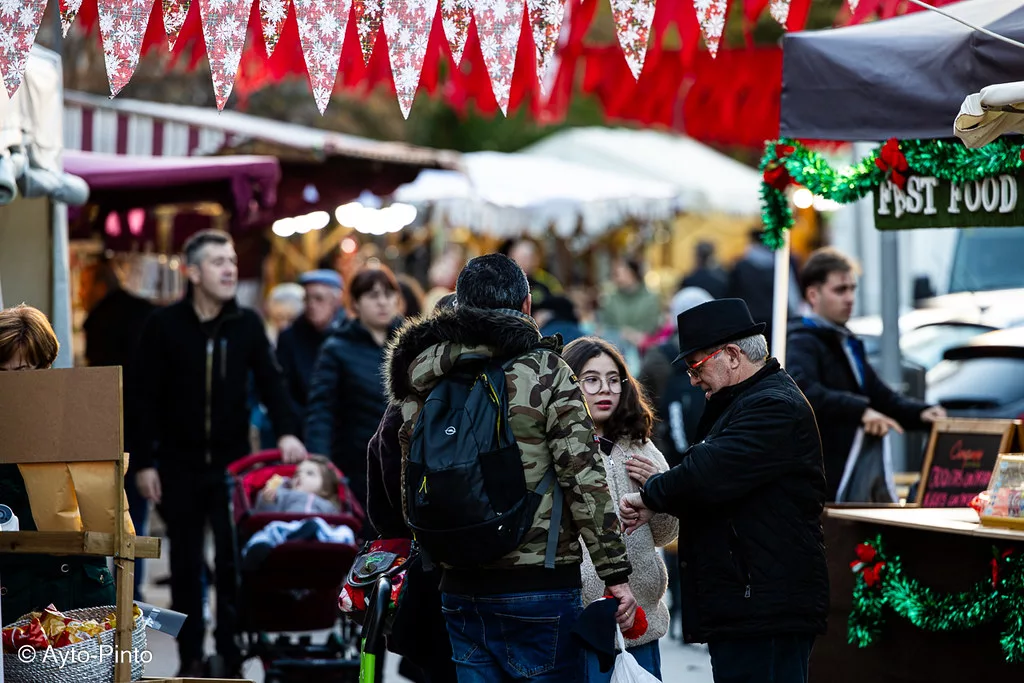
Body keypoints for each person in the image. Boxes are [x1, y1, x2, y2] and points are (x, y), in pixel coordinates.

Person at [385, 253, 635, 682]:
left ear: (459, 306)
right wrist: (615, 574)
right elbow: (584, 476)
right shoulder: (546, 371)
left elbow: (410, 477)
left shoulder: (424, 375)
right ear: (526, 306)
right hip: (539, 582)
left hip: (457, 584)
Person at [620, 298, 829, 683]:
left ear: (732, 355)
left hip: (766, 607)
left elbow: (708, 471)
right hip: (751, 604)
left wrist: (653, 493)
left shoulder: (772, 406)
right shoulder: (747, 400)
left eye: (695, 366)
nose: (692, 379)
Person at [133, 229, 306, 678]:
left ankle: (229, 653)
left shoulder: (246, 324)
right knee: (187, 567)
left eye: (232, 260)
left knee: (231, 563)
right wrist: (145, 461)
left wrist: (287, 431)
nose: (230, 268)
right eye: (217, 262)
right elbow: (143, 399)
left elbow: (273, 383)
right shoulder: (163, 326)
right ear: (193, 272)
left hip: (232, 466)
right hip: (178, 465)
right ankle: (191, 655)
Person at [787, 248, 946, 502]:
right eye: (840, 290)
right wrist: (860, 411)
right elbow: (802, 393)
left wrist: (920, 412)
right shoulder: (801, 341)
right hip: (823, 480)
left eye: (852, 288)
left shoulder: (846, 339)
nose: (850, 298)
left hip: (851, 474)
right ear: (813, 294)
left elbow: (878, 395)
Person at [562, 337, 678, 682]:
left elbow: (666, 533)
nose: (605, 390)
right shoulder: (559, 447)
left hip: (640, 621)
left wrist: (658, 491)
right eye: (592, 380)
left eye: (614, 379)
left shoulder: (638, 446)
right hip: (582, 620)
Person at [0, 304, 117, 624]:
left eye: (24, 372)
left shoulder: (81, 416)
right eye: (3, 374)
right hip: (14, 596)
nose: (14, 385)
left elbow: (105, 511)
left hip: (81, 594)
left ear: (47, 367)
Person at [366, 292, 459, 683]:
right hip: (493, 569)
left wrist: (403, 531)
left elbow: (383, 496)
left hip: (429, 565)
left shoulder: (407, 401)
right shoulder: (506, 388)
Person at [78, 258, 156, 597]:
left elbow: (96, 374)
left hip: (106, 419)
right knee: (134, 513)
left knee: (99, 509)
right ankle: (131, 591)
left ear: (97, 285)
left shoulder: (99, 318)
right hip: (144, 419)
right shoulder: (145, 311)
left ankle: (104, 590)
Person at [305, 264, 403, 513]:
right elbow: (321, 408)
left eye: (388, 294)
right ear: (355, 304)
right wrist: (320, 461)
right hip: (357, 464)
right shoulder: (337, 348)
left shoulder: (411, 343)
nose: (382, 302)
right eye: (372, 295)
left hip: (406, 463)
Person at [275, 270, 345, 424]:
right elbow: (284, 389)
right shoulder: (290, 337)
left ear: (336, 301)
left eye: (319, 298)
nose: (312, 305)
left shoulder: (350, 334)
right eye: (307, 299)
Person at [599, 257, 662, 352]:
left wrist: (635, 335)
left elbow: (653, 327)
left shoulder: (650, 298)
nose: (616, 278)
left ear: (632, 273)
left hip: (644, 351)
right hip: (616, 349)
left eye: (618, 273)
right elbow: (606, 325)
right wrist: (621, 333)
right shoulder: (611, 299)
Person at [255, 456, 341, 515]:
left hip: (316, 535)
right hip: (284, 531)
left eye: (310, 473)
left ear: (324, 489)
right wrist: (268, 501)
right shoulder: (283, 495)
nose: (300, 475)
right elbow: (267, 519)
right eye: (296, 473)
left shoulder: (327, 505)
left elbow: (335, 524)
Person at [507, 238, 564, 306]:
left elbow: (560, 303)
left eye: (525, 258)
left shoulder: (547, 281)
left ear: (535, 259)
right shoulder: (504, 282)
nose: (521, 262)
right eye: (517, 258)